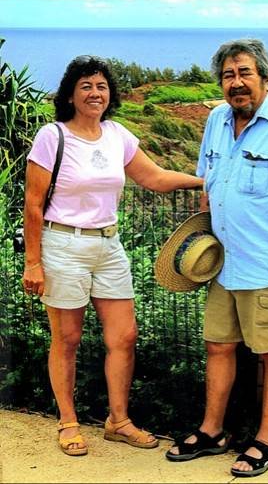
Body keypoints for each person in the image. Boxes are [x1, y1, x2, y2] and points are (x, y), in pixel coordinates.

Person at [22, 55, 203, 457]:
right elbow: (33, 205)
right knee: (67, 339)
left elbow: (153, 178)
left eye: (101, 86)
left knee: (124, 336)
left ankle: (118, 421)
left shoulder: (117, 134)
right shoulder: (53, 136)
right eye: (86, 85)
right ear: (70, 94)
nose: (94, 93)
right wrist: (32, 262)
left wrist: (205, 180)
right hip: (63, 245)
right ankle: (68, 422)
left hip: (109, 245)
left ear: (110, 94)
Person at [165, 39, 268, 477]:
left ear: (266, 78)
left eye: (245, 74)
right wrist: (203, 245)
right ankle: (212, 431)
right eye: (229, 75)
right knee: (218, 346)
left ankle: (266, 442)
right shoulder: (215, 119)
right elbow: (208, 183)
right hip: (223, 266)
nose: (236, 83)